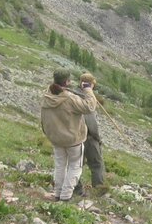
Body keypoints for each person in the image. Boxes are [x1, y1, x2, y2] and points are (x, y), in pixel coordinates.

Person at [40, 70, 97, 201]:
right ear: (66, 82)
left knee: (60, 165)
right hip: (73, 139)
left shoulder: (46, 95)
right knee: (75, 167)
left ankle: (57, 193)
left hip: (56, 138)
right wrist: (88, 90)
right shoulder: (70, 98)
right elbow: (90, 107)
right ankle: (66, 196)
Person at [73, 72, 105, 195]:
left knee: (75, 164)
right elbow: (91, 122)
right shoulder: (88, 98)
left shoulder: (72, 94)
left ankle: (76, 188)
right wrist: (97, 137)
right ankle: (99, 189)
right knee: (96, 164)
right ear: (91, 84)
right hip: (88, 137)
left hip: (74, 135)